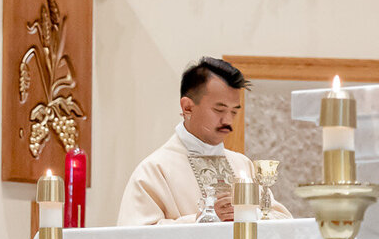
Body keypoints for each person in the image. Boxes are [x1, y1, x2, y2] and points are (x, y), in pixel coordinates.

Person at [117, 57, 290, 225]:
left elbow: (282, 222)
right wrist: (204, 218)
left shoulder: (242, 165)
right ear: (187, 107)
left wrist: (252, 213)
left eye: (234, 112)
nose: (228, 121)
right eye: (219, 110)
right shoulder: (155, 171)